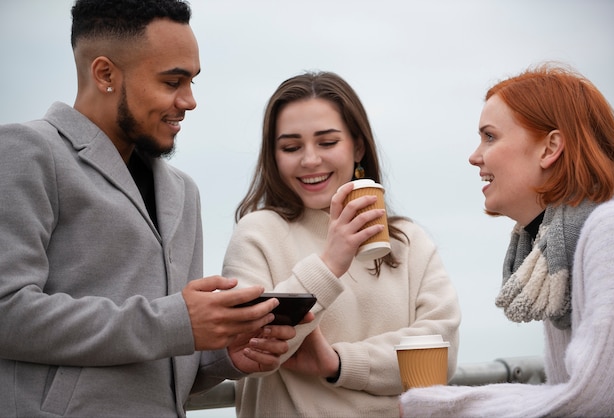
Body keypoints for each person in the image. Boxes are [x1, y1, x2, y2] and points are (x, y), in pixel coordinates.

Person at [0, 1, 303, 416]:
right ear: (104, 73)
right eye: (172, 81)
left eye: (192, 81)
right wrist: (177, 322)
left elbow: (164, 348)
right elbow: (7, 312)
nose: (190, 100)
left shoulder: (183, 191)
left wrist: (225, 356)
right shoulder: (27, 151)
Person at [221, 71, 461, 417]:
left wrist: (337, 363)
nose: (310, 160)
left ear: (358, 146)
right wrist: (330, 263)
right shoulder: (257, 233)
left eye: (327, 142)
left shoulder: (409, 242)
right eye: (291, 147)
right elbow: (251, 348)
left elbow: (442, 353)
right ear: (273, 156)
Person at [400, 64, 614, 417]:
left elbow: (599, 399)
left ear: (550, 148)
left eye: (489, 136)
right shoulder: (559, 244)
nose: (475, 156)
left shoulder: (613, 228)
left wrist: (438, 407)